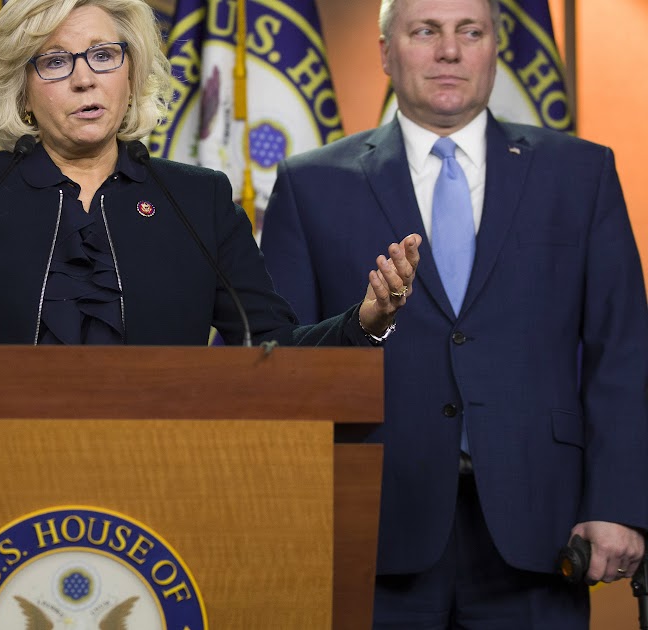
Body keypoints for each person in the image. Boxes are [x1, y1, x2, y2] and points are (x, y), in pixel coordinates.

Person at [0, 0, 419, 359]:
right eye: (55, 61)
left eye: (103, 55)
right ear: (23, 90)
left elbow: (272, 348)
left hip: (163, 478)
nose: (85, 78)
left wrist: (363, 324)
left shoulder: (196, 200)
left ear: (131, 73)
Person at [259, 0, 648, 626]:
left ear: (495, 47)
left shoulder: (581, 173)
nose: (449, 51)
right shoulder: (312, 184)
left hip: (542, 527)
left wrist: (619, 503)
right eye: (425, 31)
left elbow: (623, 351)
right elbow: (279, 360)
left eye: (471, 31)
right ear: (386, 52)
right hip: (374, 529)